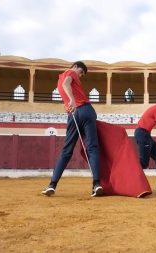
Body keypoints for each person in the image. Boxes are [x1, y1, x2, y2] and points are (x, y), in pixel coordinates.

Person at [41, 61, 103, 197]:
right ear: (75, 66)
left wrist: (70, 103)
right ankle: (96, 184)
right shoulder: (70, 72)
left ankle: (52, 185)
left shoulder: (59, 79)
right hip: (86, 111)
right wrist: (72, 100)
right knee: (92, 147)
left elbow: (64, 87)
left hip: (74, 114)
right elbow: (66, 84)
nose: (80, 75)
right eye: (80, 72)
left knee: (66, 151)